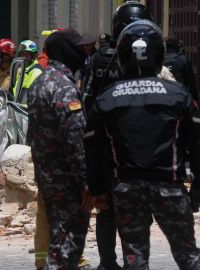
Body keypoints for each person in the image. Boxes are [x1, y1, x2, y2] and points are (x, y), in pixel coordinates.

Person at [84, 20, 200, 270]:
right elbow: (197, 142)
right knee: (189, 256)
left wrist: (96, 189)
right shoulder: (179, 95)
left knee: (135, 258)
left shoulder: (107, 99)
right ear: (158, 54)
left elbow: (92, 147)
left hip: (127, 189)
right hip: (170, 187)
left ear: (123, 56)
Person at [81, 3, 153, 269]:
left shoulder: (101, 57)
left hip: (105, 145)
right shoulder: (149, 56)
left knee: (106, 209)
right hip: (138, 147)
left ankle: (108, 263)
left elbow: (87, 98)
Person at [27, 28, 91, 269]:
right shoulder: (63, 87)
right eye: (79, 47)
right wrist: (86, 182)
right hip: (67, 181)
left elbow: (34, 134)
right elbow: (75, 140)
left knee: (58, 240)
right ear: (67, 51)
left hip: (47, 178)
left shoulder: (40, 82)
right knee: (66, 251)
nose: (83, 52)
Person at [163, 34, 199, 101]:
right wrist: (195, 100)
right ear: (177, 45)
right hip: (180, 98)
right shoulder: (182, 59)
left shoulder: (159, 60)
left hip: (164, 98)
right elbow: (191, 83)